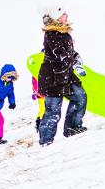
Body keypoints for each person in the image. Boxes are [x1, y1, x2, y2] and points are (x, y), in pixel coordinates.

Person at [37, 9, 87, 146]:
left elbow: (68, 53)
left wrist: (76, 57)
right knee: (53, 112)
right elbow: (60, 54)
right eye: (63, 14)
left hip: (66, 76)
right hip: (53, 78)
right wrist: (72, 60)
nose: (67, 15)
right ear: (57, 17)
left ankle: (72, 127)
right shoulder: (52, 34)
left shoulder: (64, 32)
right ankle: (45, 141)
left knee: (80, 97)